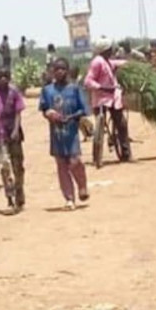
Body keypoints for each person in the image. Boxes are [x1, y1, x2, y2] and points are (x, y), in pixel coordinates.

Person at [40, 58, 90, 210]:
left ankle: (82, 185)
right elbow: (44, 108)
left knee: (75, 161)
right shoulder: (47, 90)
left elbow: (83, 109)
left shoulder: (74, 89)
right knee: (61, 165)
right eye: (56, 69)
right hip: (56, 134)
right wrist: (49, 114)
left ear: (67, 71)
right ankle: (69, 198)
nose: (59, 72)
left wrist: (71, 117)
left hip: (71, 132)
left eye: (62, 69)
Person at [85, 38, 131, 162]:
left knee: (120, 122)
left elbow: (117, 63)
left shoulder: (107, 62)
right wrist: (101, 87)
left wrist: (129, 64)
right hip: (101, 97)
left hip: (112, 97)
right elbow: (88, 81)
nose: (112, 51)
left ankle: (125, 150)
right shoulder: (97, 62)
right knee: (120, 123)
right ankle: (123, 152)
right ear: (105, 50)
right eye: (110, 49)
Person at [0, 67, 26, 210]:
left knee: (18, 166)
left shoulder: (14, 92)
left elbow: (18, 113)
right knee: (5, 165)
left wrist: (15, 130)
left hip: (14, 133)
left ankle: (19, 191)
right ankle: (10, 197)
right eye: (0, 76)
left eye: (6, 76)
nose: (3, 79)